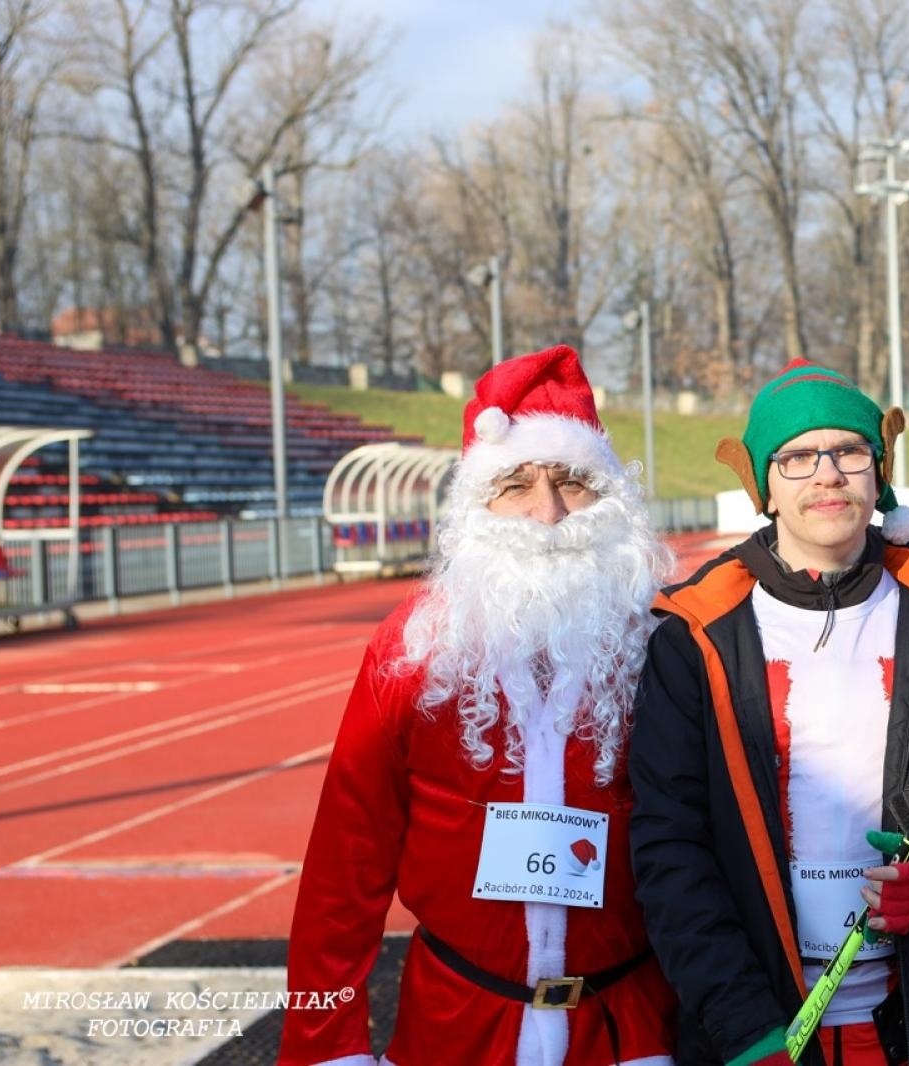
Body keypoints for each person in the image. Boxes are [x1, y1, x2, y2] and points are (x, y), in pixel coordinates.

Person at [628, 360, 909, 1065]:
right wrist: (742, 1025)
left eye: (848, 451)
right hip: (760, 1028)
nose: (826, 475)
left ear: (877, 473)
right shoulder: (693, 636)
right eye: (796, 457)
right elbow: (670, 847)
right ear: (764, 486)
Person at [280, 346, 678, 1066]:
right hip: (455, 1028)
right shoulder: (412, 646)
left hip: (626, 1032)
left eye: (572, 483)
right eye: (515, 484)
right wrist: (324, 1047)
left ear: (610, 499)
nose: (546, 512)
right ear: (476, 504)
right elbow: (345, 867)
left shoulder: (665, 645)